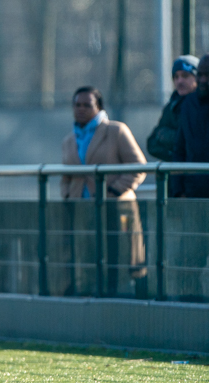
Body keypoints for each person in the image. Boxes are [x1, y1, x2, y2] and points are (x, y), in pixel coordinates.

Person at [60, 87, 147, 297]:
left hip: (116, 207)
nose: (81, 109)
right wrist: (67, 195)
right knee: (87, 253)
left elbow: (138, 166)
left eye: (87, 105)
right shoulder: (69, 140)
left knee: (120, 253)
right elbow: (65, 176)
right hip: (83, 210)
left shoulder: (116, 131)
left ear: (98, 107)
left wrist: (115, 190)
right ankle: (89, 293)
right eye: (77, 105)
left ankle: (122, 296)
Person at [172, 52, 209, 198]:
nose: (203, 80)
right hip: (194, 191)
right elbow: (179, 150)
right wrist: (178, 191)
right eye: (200, 75)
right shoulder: (188, 103)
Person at [146, 55, 198, 161]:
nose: (180, 81)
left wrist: (169, 137)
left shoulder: (203, 105)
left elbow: (194, 141)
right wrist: (176, 157)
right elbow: (152, 144)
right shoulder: (172, 106)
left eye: (185, 76)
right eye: (176, 77)